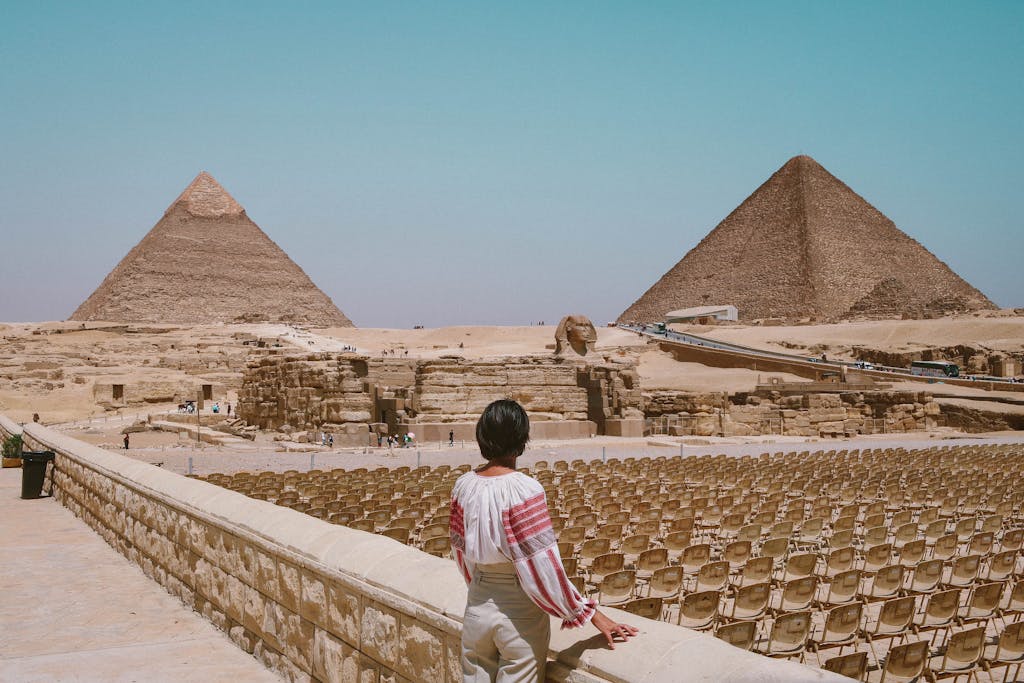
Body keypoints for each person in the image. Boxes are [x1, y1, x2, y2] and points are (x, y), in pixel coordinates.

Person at [450, 399, 637, 681]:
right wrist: (589, 614)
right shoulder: (525, 489)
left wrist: (480, 587)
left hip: (477, 606)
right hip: (519, 614)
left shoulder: (463, 485)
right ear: (521, 437)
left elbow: (459, 550)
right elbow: (541, 565)